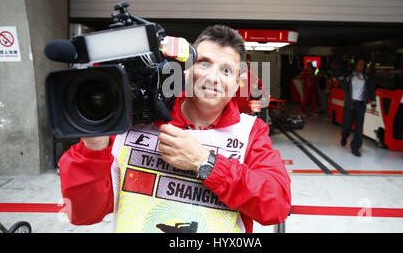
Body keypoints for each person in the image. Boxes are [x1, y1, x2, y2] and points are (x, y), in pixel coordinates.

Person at [58, 25, 291, 233]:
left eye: (226, 70)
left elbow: (276, 205)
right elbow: (82, 214)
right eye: (204, 64)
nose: (213, 78)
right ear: (187, 70)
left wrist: (206, 163)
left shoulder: (249, 131)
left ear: (239, 81)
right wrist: (94, 146)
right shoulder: (135, 120)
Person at [339, 57, 377, 157]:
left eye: (363, 64)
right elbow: (343, 86)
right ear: (355, 65)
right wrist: (342, 77)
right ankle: (344, 136)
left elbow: (371, 90)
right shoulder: (349, 75)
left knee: (358, 128)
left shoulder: (367, 77)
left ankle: (355, 148)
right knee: (347, 125)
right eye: (359, 64)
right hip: (350, 105)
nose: (361, 66)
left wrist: (373, 103)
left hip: (361, 105)